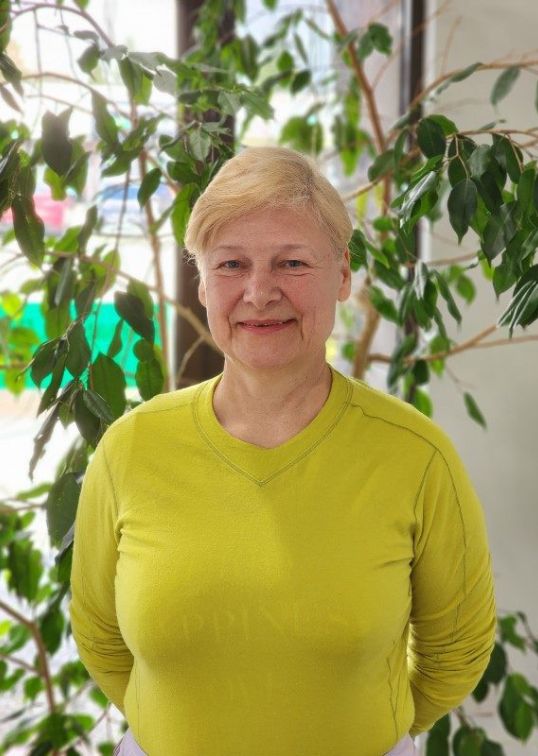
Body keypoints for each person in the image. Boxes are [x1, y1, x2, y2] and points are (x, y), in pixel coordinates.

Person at [69, 146, 497, 756]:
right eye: (231, 264)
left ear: (342, 275)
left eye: (292, 263)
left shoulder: (417, 455)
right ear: (203, 283)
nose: (259, 291)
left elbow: (457, 650)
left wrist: (362, 732)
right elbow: (99, 635)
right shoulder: (130, 448)